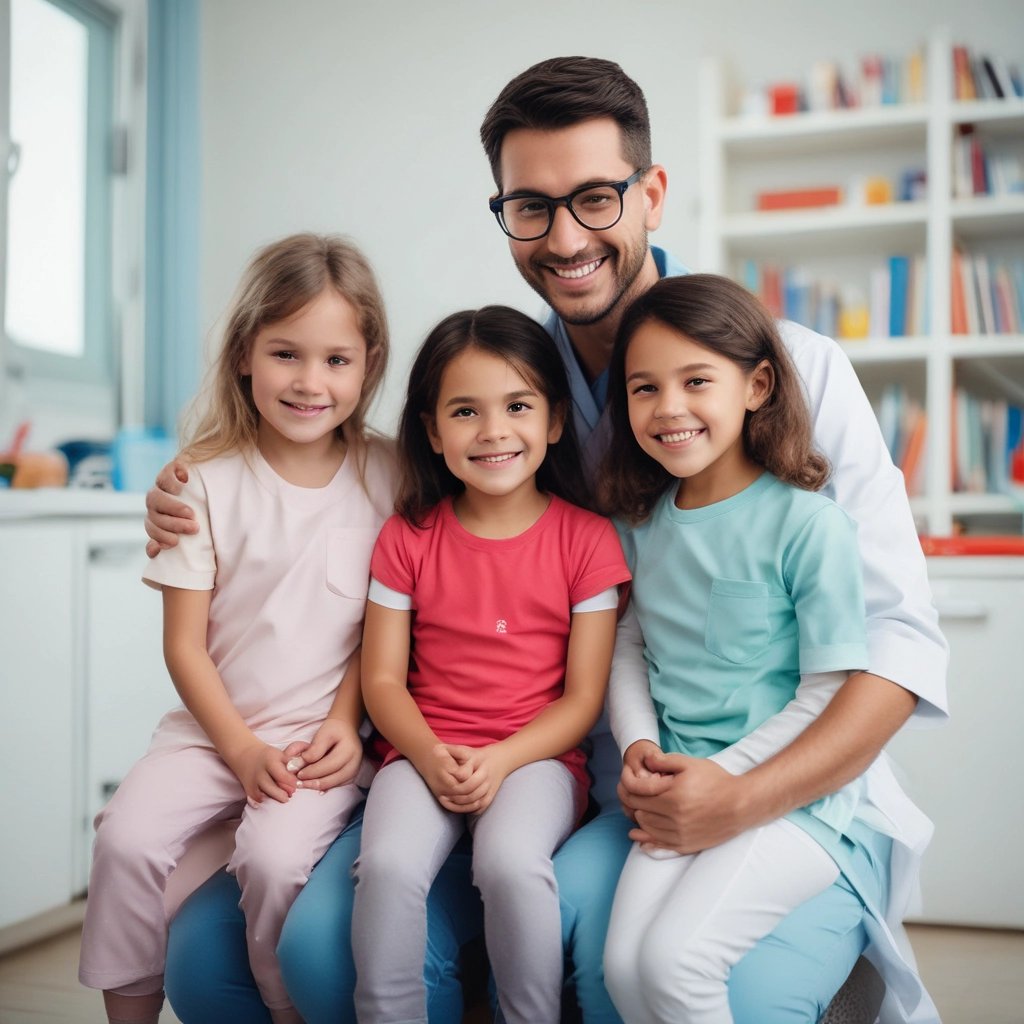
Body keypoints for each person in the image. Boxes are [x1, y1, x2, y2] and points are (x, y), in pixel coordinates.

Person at [148, 57, 948, 1024]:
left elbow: (895, 643)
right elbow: (363, 501)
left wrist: (741, 798)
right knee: (257, 955)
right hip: (525, 767)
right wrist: (206, 481)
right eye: (531, 207)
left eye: (597, 199)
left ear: (652, 192)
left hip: (759, 781)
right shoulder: (504, 392)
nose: (566, 237)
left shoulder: (790, 369)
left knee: (658, 979)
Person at [597, 274, 937, 1024]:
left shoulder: (808, 526)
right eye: (644, 388)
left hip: (794, 806)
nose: (669, 407)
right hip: (678, 792)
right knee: (623, 966)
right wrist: (641, 745)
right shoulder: (645, 525)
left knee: (674, 960)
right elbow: (629, 642)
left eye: (696, 381)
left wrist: (723, 780)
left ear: (756, 386)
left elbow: (826, 692)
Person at [78, 233, 395, 1024]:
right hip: (211, 729)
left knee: (276, 857)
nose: (310, 382)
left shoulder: (394, 475)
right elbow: (183, 646)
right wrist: (240, 748)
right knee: (123, 839)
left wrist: (344, 722)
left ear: (369, 364)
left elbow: (386, 632)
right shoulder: (201, 483)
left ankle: (283, 1009)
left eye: (336, 359)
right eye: (286, 354)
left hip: (320, 737)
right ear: (246, 354)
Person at [352, 306, 630, 1024]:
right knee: (384, 866)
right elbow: (381, 680)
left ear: (556, 420)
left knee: (508, 864)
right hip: (420, 751)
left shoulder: (589, 541)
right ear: (433, 430)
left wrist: (502, 760)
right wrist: (427, 752)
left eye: (517, 406)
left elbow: (582, 699)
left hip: (536, 759)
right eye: (466, 412)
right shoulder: (407, 538)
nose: (494, 431)